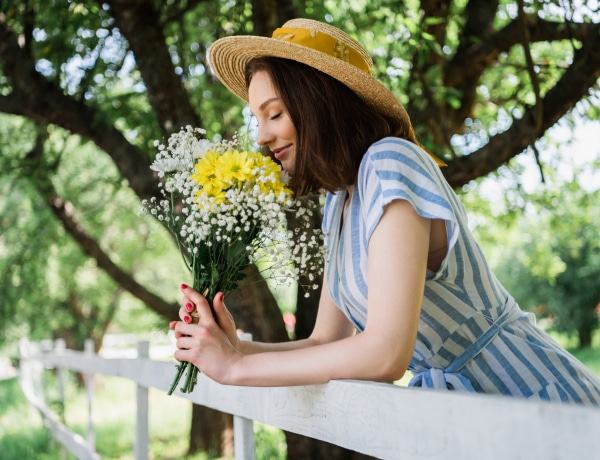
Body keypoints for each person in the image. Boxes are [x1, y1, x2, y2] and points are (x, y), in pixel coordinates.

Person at [169, 18, 600, 405]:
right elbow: (324, 341)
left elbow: (385, 353)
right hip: (471, 419)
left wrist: (237, 370)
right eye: (256, 119)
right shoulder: (341, 202)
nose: (261, 136)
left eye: (274, 113)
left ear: (319, 102)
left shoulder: (390, 162)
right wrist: (234, 349)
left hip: (534, 398)